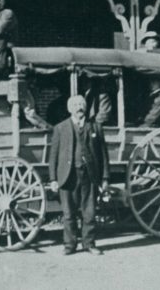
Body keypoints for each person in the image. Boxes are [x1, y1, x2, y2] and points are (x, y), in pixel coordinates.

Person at [49, 95, 110, 256]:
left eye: (82, 104)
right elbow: (53, 156)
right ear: (70, 109)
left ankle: (89, 244)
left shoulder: (95, 127)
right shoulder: (60, 128)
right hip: (67, 176)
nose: (79, 107)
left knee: (89, 212)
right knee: (68, 213)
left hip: (89, 176)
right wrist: (53, 179)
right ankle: (70, 246)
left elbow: (104, 156)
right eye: (75, 105)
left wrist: (105, 178)